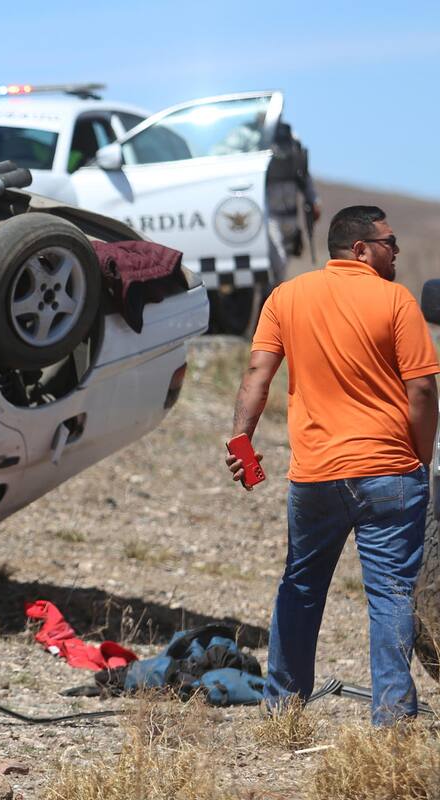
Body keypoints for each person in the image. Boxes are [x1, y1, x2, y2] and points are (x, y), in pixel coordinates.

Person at [226, 205, 439, 725]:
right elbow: (423, 389)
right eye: (389, 243)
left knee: (300, 587)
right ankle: (391, 721)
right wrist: (421, 457)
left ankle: (283, 709)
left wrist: (241, 442)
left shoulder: (286, 297)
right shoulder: (395, 300)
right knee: (390, 594)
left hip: (317, 474)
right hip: (390, 472)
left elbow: (258, 372)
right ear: (360, 248)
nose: (396, 252)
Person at [267, 122, 320, 259]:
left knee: (288, 253)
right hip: (271, 214)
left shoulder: (293, 140)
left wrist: (314, 201)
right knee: (277, 255)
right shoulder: (261, 137)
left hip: (290, 215)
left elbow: (304, 177)